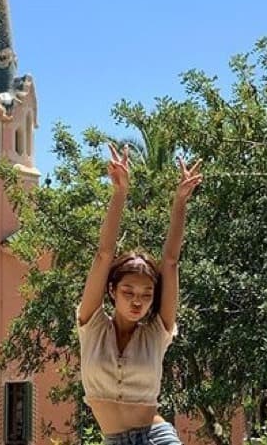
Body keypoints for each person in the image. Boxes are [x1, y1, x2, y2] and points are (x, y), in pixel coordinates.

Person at [77, 142, 203, 445]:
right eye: (128, 291)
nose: (137, 300)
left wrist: (180, 201)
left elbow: (170, 262)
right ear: (112, 290)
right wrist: (119, 192)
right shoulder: (91, 327)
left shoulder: (156, 334)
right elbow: (104, 255)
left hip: (156, 438)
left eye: (146, 294)